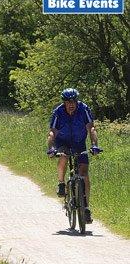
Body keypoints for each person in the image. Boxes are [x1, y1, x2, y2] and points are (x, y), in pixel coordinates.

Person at [47, 88, 102, 224]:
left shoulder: (84, 109)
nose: (71, 104)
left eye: (73, 101)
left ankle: (86, 208)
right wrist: (51, 148)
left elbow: (91, 128)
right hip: (63, 142)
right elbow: (52, 133)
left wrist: (94, 145)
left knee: (84, 175)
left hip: (79, 143)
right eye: (68, 102)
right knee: (64, 156)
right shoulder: (58, 112)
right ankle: (61, 183)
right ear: (64, 102)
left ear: (77, 101)